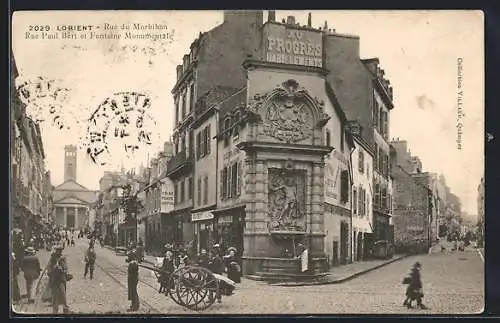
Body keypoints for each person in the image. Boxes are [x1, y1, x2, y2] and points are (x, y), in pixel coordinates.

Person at [47, 245, 72, 314]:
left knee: (63, 294)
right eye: (58, 250)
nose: (59, 251)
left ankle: (65, 309)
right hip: (54, 279)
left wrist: (63, 269)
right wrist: (54, 268)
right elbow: (48, 269)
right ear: (56, 250)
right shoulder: (52, 258)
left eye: (60, 250)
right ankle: (55, 311)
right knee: (55, 296)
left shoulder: (63, 258)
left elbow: (66, 267)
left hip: (61, 279)